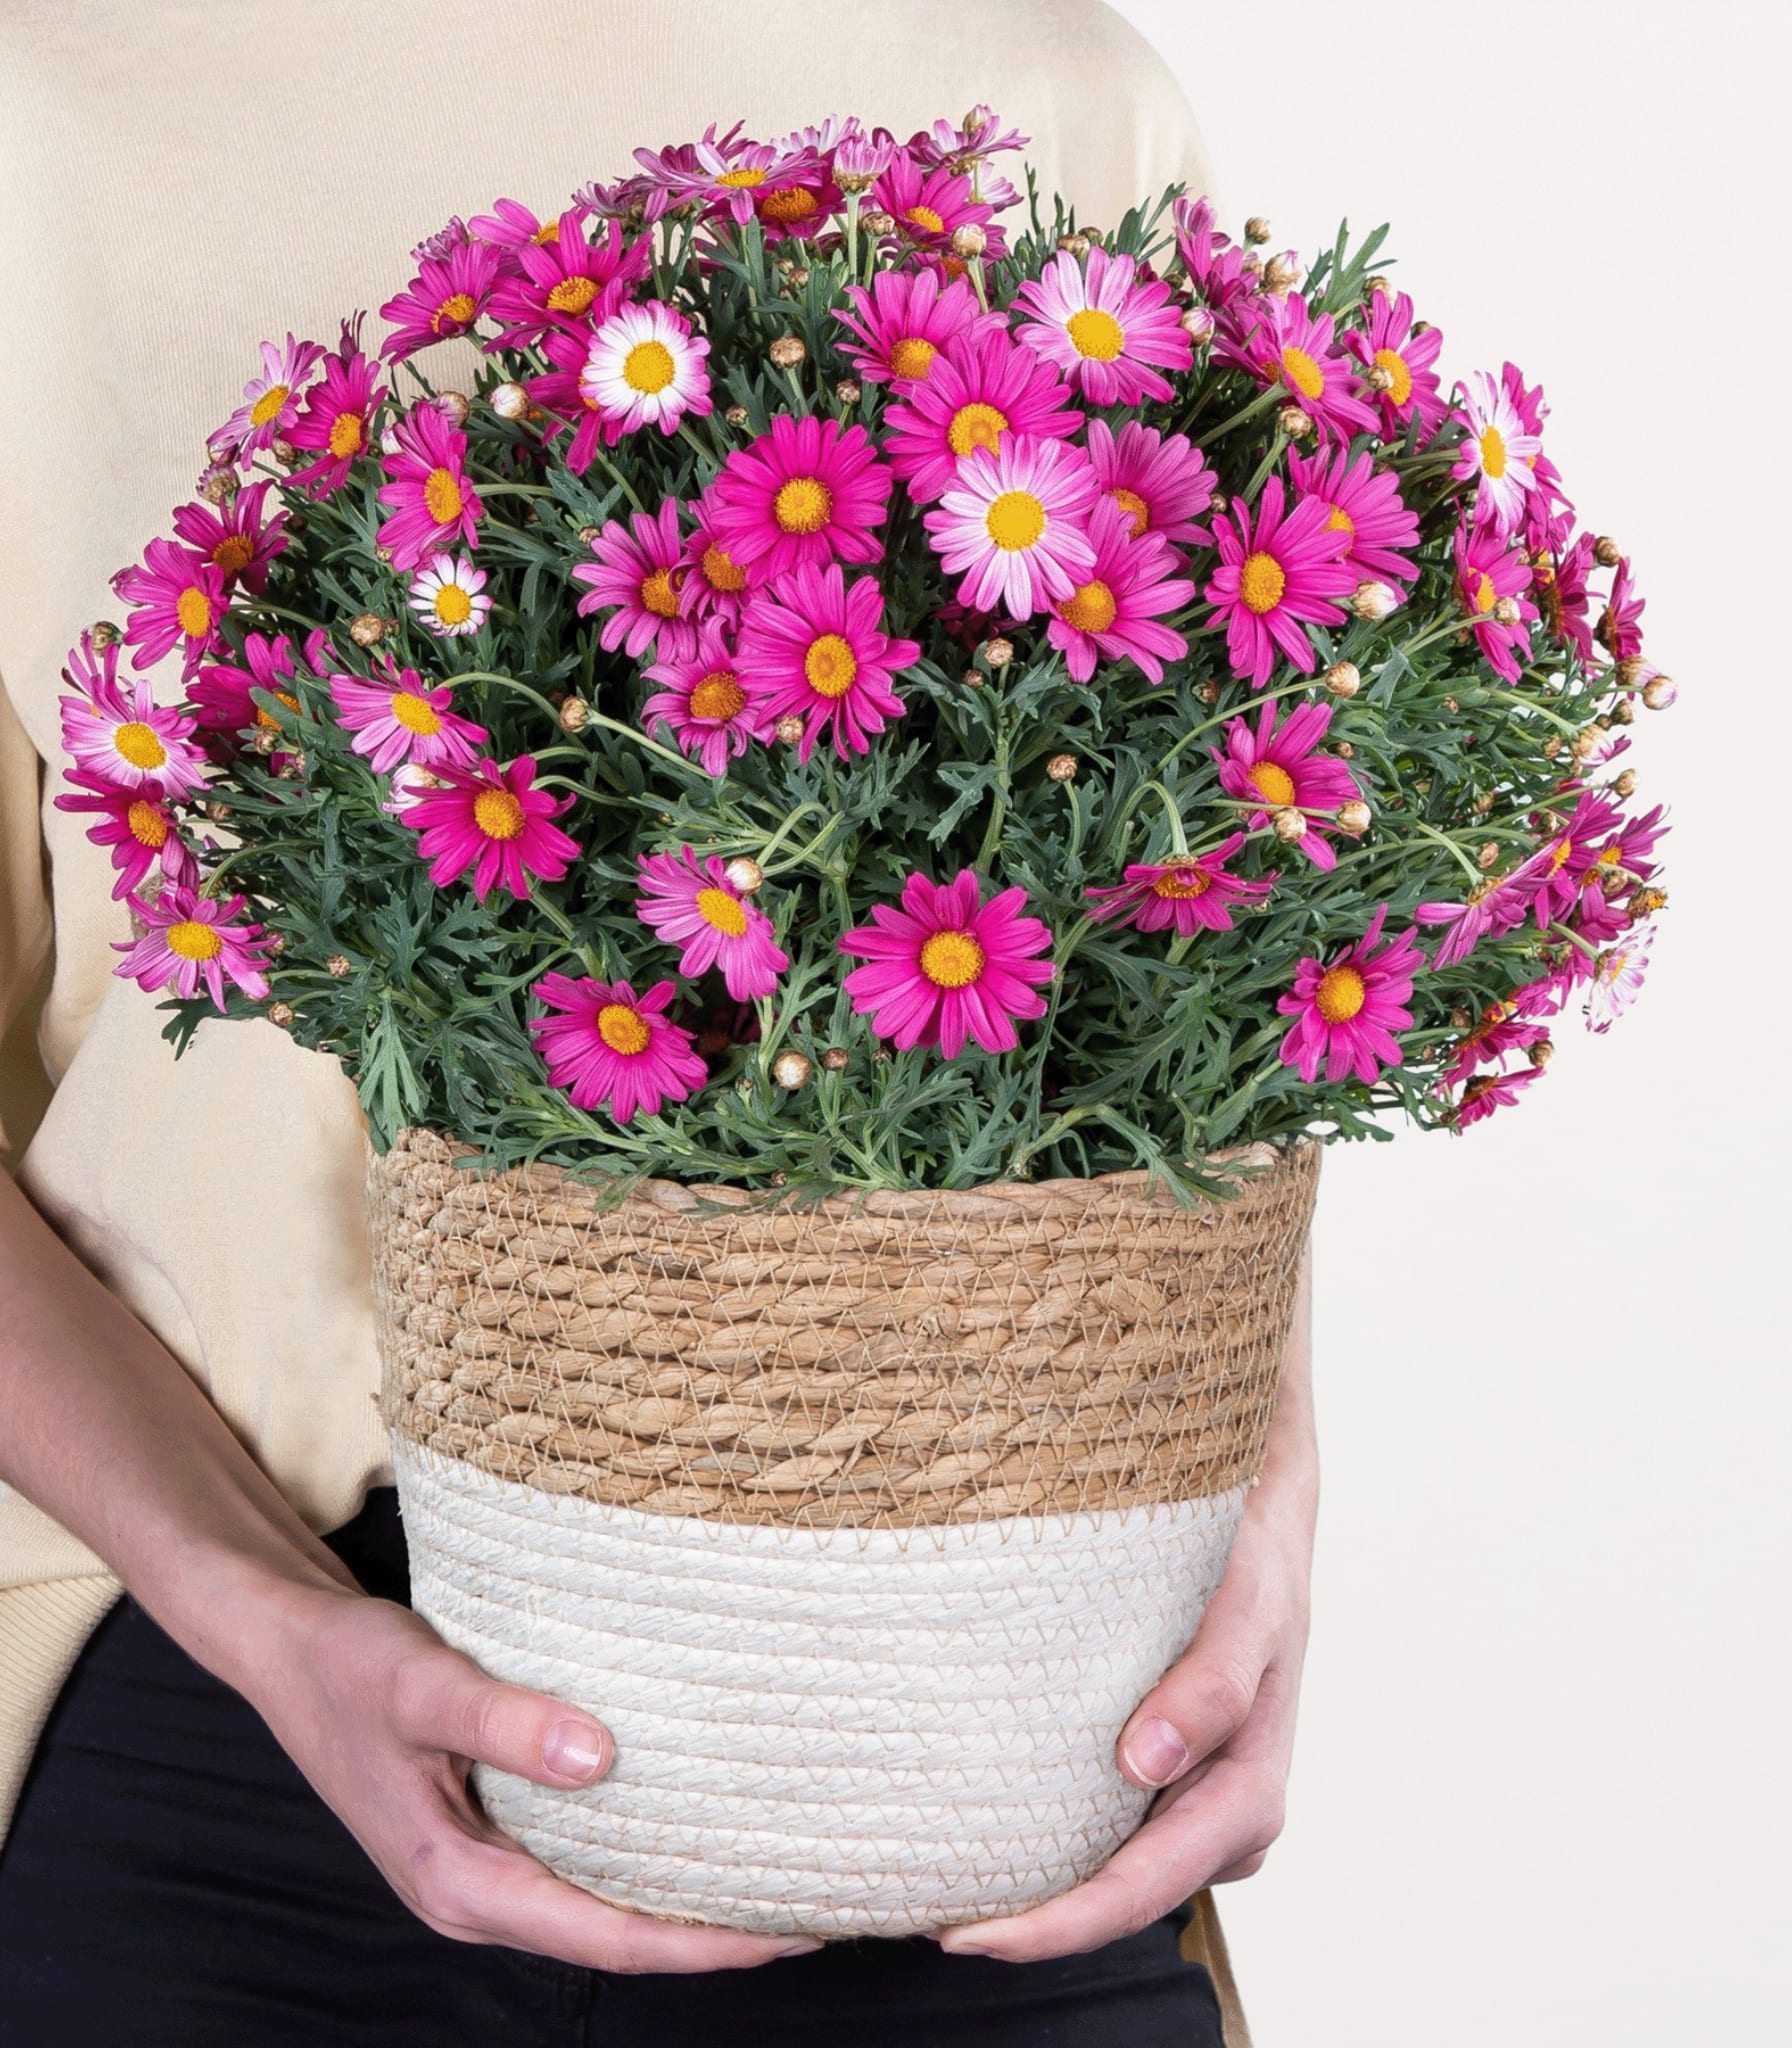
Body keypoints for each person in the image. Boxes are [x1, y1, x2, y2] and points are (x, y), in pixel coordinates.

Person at [0, 4, 1317, 2040]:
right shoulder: (48, 104)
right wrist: (255, 1615)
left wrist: (1258, 1541)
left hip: (946, 1678)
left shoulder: (1047, 92)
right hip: (222, 1696)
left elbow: (1203, 950)